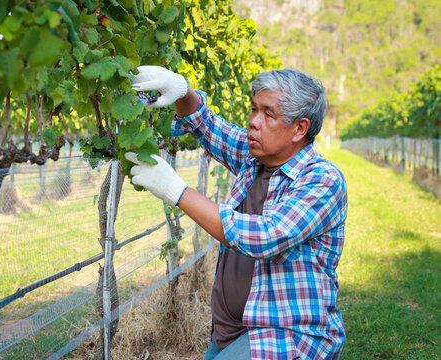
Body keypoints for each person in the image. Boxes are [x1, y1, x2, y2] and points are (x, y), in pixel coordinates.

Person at [127, 66, 347, 360]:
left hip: (287, 336)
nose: (254, 122)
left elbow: (265, 236)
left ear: (299, 128)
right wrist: (182, 90)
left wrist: (177, 191)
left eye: (268, 114)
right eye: (254, 109)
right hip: (232, 330)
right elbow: (206, 125)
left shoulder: (322, 180)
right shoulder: (255, 156)